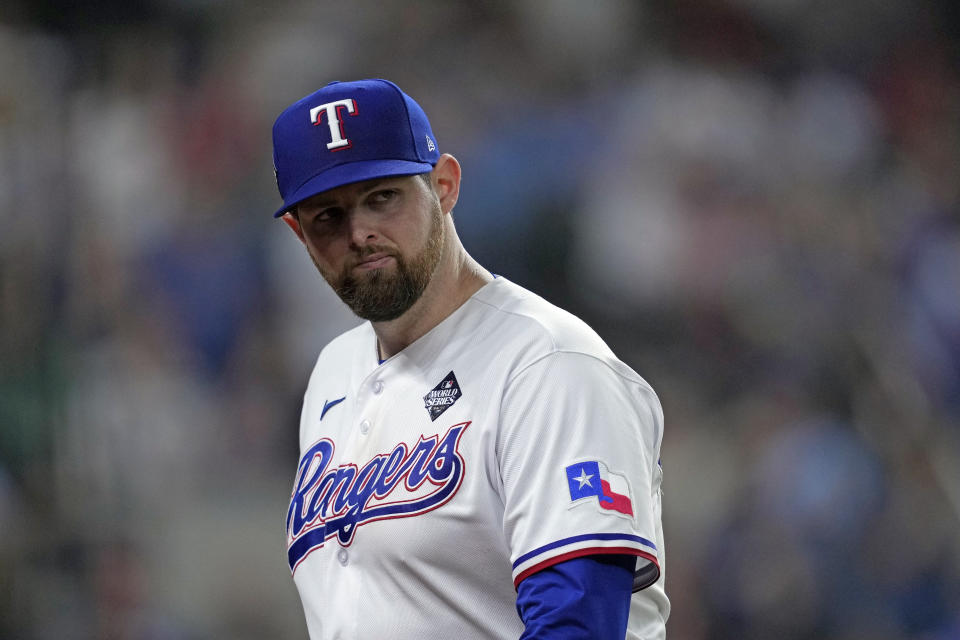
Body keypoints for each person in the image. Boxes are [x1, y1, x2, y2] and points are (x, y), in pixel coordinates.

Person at [272, 79, 669, 639]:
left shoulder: (548, 364)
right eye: (327, 216)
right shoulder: (333, 373)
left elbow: (577, 625)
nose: (360, 232)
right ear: (299, 233)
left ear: (445, 186)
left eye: (382, 196)